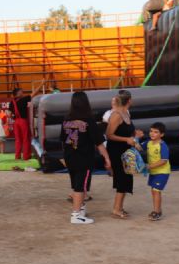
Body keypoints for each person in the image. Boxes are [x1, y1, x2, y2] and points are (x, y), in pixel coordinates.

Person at [60, 92, 111, 224]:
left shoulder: (66, 119)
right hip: (83, 158)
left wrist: (64, 156)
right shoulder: (88, 120)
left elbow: (62, 140)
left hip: (70, 156)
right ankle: (76, 215)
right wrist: (107, 158)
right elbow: (99, 142)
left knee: (78, 184)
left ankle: (80, 208)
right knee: (80, 186)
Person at [106, 90, 141, 220]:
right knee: (122, 178)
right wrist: (126, 140)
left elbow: (127, 133)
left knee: (126, 178)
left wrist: (135, 135)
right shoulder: (116, 115)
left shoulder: (126, 113)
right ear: (129, 100)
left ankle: (119, 207)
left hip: (126, 151)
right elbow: (109, 135)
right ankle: (116, 208)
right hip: (117, 151)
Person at [138, 122, 170, 221]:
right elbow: (138, 147)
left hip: (162, 172)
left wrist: (148, 166)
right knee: (154, 191)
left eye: (156, 132)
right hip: (153, 172)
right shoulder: (148, 142)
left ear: (162, 134)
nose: (152, 133)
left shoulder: (163, 145)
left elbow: (163, 161)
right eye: (151, 131)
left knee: (156, 190)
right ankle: (158, 210)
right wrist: (136, 138)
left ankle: (156, 212)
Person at [7, 80, 45, 160]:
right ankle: (26, 156)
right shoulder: (24, 100)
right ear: (18, 93)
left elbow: (9, 115)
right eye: (21, 91)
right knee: (25, 139)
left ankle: (17, 156)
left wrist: (14, 118)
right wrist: (41, 84)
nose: (22, 92)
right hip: (23, 121)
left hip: (16, 122)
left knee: (18, 140)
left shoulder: (12, 102)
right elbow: (35, 92)